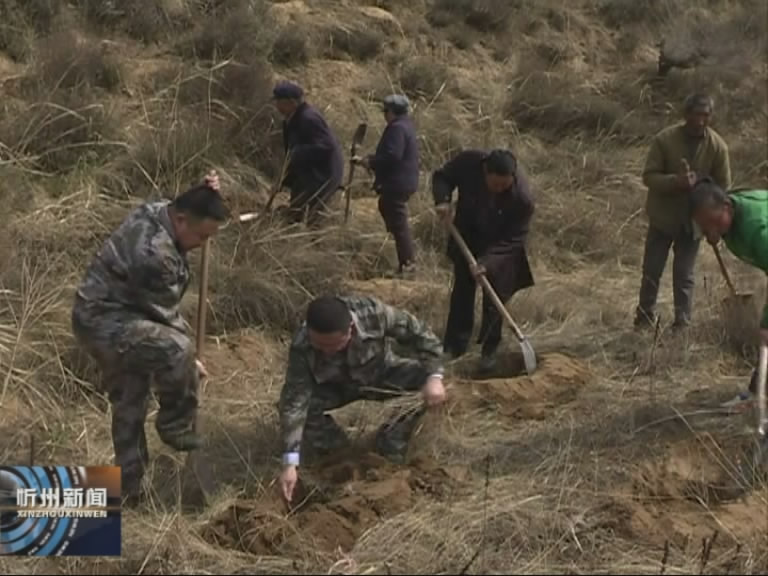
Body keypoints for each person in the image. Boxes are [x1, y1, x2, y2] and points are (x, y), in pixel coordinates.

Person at [71, 171, 228, 505]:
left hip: (120, 311)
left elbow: (184, 204)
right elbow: (166, 319)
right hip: (105, 322)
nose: (202, 245)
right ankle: (173, 424)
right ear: (182, 220)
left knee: (130, 400)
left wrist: (203, 191)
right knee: (179, 350)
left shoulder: (162, 210)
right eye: (201, 236)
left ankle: (127, 490)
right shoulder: (155, 256)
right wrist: (188, 364)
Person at [278, 295, 446, 503]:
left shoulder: (374, 314)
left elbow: (421, 334)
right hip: (337, 387)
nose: (326, 353)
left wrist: (435, 377)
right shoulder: (302, 345)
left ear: (350, 329)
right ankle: (340, 454)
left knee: (424, 381)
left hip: (380, 373)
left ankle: (390, 444)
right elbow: (294, 403)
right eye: (319, 346)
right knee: (303, 406)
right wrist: (290, 463)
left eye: (332, 346)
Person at [635, 93, 732, 330]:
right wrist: (674, 182)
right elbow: (649, 176)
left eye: (706, 115)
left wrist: (710, 212)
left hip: (694, 223)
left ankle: (682, 324)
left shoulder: (717, 147)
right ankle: (644, 318)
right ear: (686, 114)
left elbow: (724, 187)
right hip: (663, 218)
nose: (701, 120)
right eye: (696, 115)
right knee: (652, 270)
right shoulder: (665, 140)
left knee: (684, 275)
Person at [432, 149, 535, 372]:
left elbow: (515, 238)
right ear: (485, 171)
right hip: (467, 236)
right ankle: (455, 346)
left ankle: (490, 350)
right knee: (462, 293)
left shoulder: (521, 198)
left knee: (495, 298)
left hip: (500, 249)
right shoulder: (469, 163)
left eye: (504, 186)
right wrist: (443, 200)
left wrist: (487, 263)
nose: (499, 190)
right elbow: (442, 176)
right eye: (495, 185)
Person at [690, 179, 768, 409]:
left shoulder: (757, 230)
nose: (710, 232)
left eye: (713, 223)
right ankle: (756, 393)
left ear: (727, 207)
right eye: (704, 227)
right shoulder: (731, 210)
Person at [353, 94, 420, 275]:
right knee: (390, 211)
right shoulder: (406, 126)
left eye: (386, 111)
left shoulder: (397, 128)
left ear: (391, 112)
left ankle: (408, 266)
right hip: (403, 181)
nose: (384, 115)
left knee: (398, 223)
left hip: (397, 182)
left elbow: (392, 156)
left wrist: (371, 161)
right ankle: (406, 263)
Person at [273, 81, 344, 226]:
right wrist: (283, 180)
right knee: (298, 206)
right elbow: (290, 156)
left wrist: (297, 152)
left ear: (291, 103)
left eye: (279, 102)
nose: (276, 106)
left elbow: (325, 147)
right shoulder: (290, 120)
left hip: (323, 174)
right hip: (311, 172)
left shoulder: (308, 118)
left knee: (307, 213)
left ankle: (312, 241)